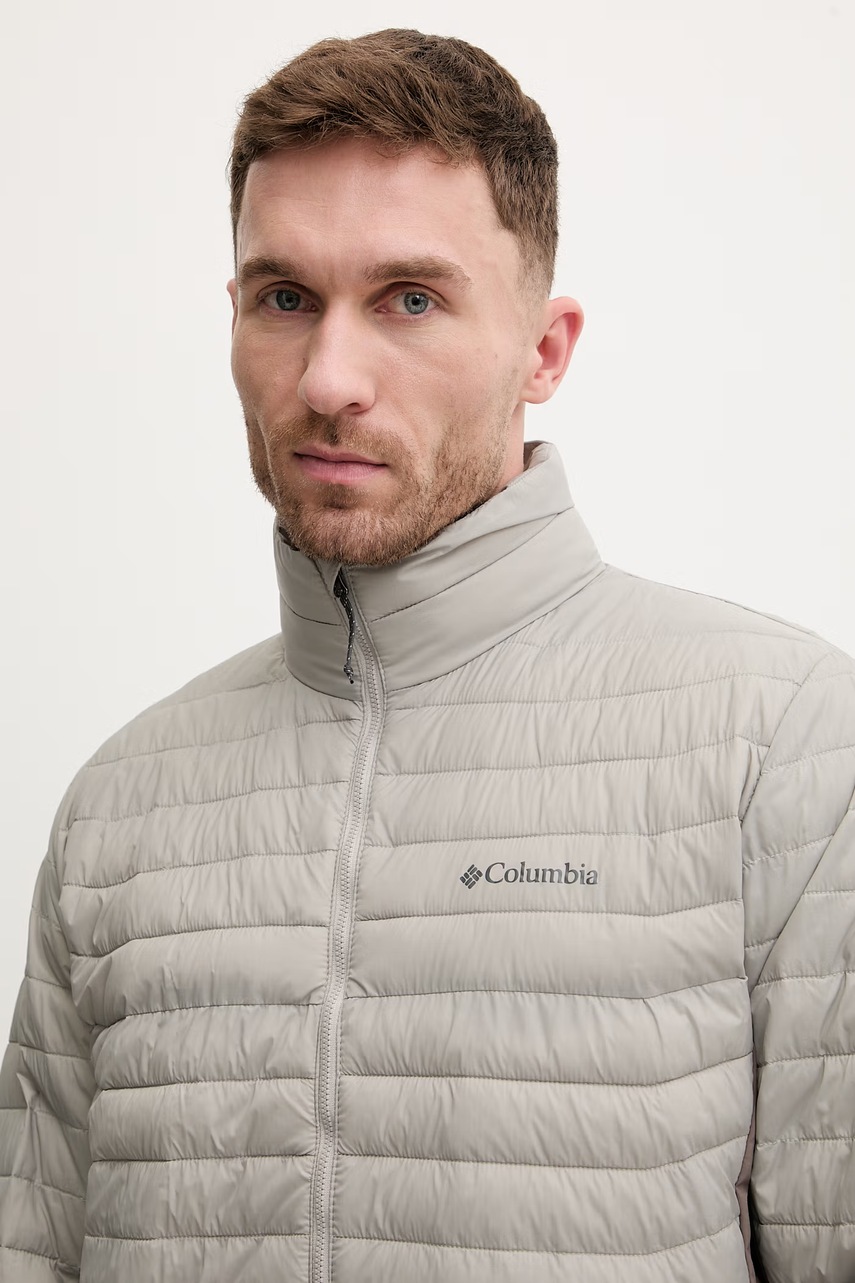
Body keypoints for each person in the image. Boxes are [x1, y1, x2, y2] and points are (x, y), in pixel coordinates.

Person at [0, 26, 853, 1283]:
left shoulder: (782, 746)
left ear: (544, 350)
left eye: (410, 298)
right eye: (285, 298)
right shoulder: (120, 805)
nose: (329, 378)